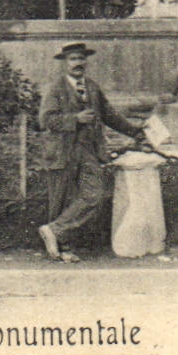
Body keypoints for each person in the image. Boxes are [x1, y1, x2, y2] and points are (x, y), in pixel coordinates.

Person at [37, 41, 147, 262]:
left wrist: (136, 132)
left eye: (81, 58)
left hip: (88, 150)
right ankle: (63, 249)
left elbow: (110, 115)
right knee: (62, 199)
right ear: (64, 63)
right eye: (73, 59)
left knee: (94, 195)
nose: (78, 63)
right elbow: (45, 120)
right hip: (63, 151)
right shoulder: (55, 89)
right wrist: (75, 119)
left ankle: (55, 230)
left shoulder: (92, 88)